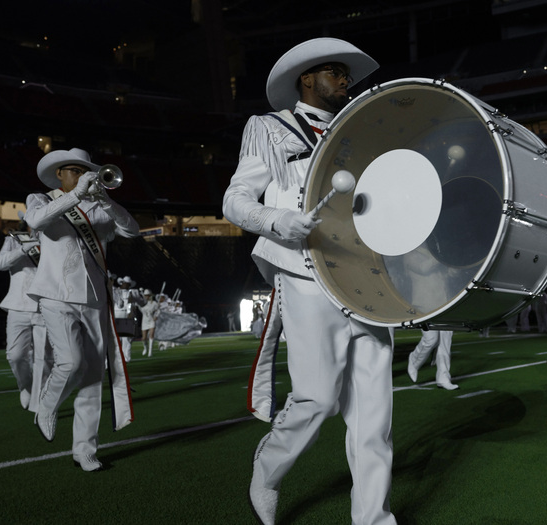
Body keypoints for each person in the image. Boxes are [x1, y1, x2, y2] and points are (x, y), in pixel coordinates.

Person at [223, 38, 396, 524]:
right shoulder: (269, 127)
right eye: (335, 72)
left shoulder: (358, 130)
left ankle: (374, 518)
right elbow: (234, 200)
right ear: (306, 79)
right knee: (317, 399)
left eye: (346, 74)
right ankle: (268, 466)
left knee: (373, 415)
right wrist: (276, 219)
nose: (345, 81)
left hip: (364, 275)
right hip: (305, 270)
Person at [24, 147, 139, 471]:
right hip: (55, 294)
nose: (79, 175)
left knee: (91, 378)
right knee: (71, 361)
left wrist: (105, 200)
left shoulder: (99, 206)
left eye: (82, 170)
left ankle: (85, 450)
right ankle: (46, 405)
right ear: (59, 174)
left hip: (94, 299)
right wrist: (76, 194)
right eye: (72, 170)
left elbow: (131, 230)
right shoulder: (41, 199)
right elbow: (35, 221)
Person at [0, 216, 52, 412]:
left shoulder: (54, 238)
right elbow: (0, 264)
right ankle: (26, 387)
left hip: (45, 305)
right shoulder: (14, 239)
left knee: (43, 358)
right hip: (18, 304)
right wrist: (22, 249)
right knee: (15, 355)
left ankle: (40, 403)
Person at [114, 275, 139, 362]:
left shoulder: (131, 293)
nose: (126, 285)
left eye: (128, 284)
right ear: (122, 283)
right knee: (116, 339)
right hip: (116, 316)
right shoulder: (115, 291)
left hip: (126, 316)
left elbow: (132, 305)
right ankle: (116, 358)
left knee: (126, 339)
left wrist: (130, 313)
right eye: (125, 283)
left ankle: (126, 358)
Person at [137, 289, 159, 357]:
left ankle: (150, 351)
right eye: (145, 295)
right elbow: (140, 309)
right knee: (143, 338)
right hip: (145, 321)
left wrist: (156, 316)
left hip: (152, 320)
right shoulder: (141, 303)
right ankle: (145, 348)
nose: (147, 297)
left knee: (151, 335)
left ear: (150, 296)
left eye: (148, 295)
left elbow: (158, 310)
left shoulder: (154, 303)